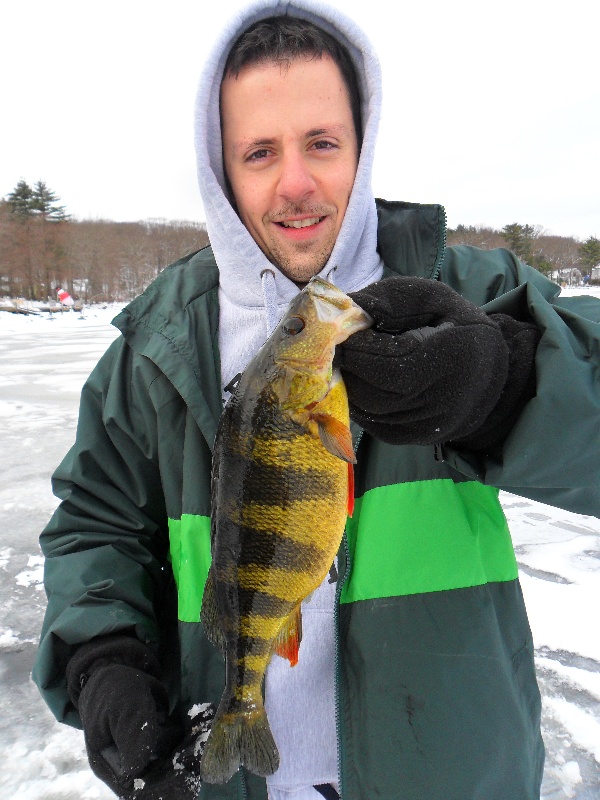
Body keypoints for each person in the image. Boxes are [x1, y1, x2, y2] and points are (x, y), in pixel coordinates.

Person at [33, 2, 600, 799]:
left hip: (448, 773)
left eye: (322, 144)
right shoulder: (155, 348)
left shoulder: (468, 294)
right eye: (259, 152)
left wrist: (507, 384)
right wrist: (101, 657)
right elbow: (93, 522)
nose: (295, 183)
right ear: (221, 168)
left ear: (361, 149)